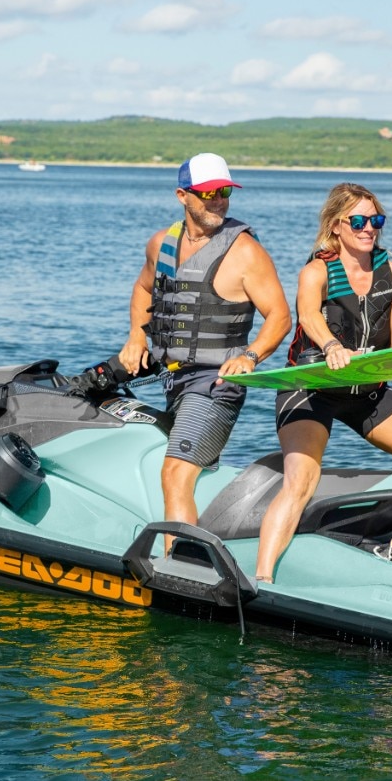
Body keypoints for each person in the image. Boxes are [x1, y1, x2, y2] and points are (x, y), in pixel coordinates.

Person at [254, 183, 392, 583]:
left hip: (365, 392)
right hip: (311, 387)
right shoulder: (317, 271)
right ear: (337, 225)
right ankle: (262, 578)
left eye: (375, 220)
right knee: (301, 480)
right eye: (358, 221)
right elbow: (308, 316)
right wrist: (331, 345)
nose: (368, 228)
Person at [119, 153, 291, 544]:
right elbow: (145, 288)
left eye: (225, 191)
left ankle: (180, 564)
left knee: (175, 472)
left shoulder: (244, 251)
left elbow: (280, 316)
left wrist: (250, 357)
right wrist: (136, 336)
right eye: (209, 192)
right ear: (183, 195)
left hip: (217, 381)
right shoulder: (161, 244)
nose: (219, 200)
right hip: (172, 379)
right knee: (170, 463)